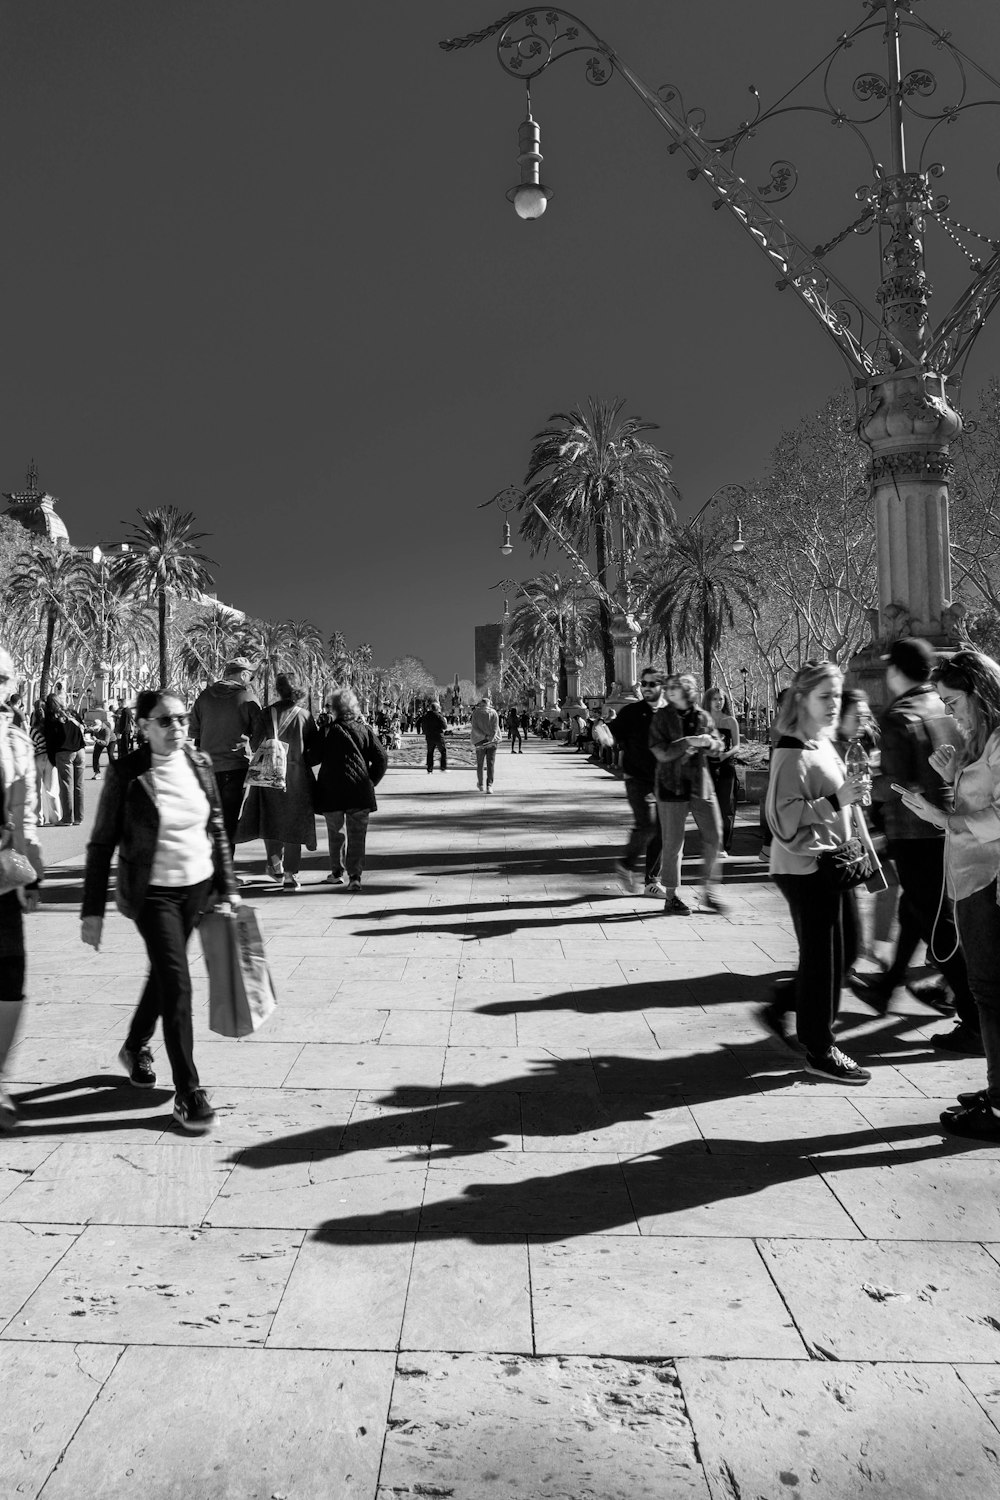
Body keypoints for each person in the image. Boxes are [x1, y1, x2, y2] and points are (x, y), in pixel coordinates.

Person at [81, 687, 237, 1134]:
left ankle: (134, 1045)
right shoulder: (127, 773)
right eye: (165, 721)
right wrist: (92, 910)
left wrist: (227, 887)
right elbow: (101, 844)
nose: (178, 728)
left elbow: (218, 828)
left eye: (183, 719)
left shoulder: (200, 764)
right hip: (152, 894)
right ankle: (189, 1092)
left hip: (197, 889)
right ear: (144, 725)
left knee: (165, 973)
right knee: (178, 983)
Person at [897, 650, 1000, 1138]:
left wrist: (943, 817)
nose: (949, 711)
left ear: (982, 694)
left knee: (990, 993)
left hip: (990, 882)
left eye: (954, 700)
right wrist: (951, 774)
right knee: (986, 992)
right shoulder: (979, 740)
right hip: (972, 877)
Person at [857, 639, 979, 1046]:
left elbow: (895, 785)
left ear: (894, 670)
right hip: (946, 825)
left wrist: (864, 790)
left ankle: (976, 1020)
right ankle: (886, 987)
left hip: (911, 829)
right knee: (917, 912)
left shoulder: (899, 715)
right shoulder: (942, 707)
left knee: (937, 926)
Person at [760, 659, 872, 1085]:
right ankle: (819, 1047)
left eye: (837, 696)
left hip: (831, 865)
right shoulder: (790, 750)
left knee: (843, 953)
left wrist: (852, 795)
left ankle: (806, 1025)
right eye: (824, 696)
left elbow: (835, 795)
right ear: (802, 698)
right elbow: (782, 819)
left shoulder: (820, 742)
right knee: (824, 958)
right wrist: (837, 799)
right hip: (806, 868)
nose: (833, 705)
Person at [0, 647, 44, 1131]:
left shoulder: (15, 739)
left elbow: (26, 815)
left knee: (11, 981)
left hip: (1, 878)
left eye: (3, 678)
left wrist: (34, 873)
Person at [650, 673, 726, 915]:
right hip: (670, 786)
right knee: (673, 844)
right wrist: (688, 741)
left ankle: (709, 892)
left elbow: (718, 746)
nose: (670, 691)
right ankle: (671, 896)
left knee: (715, 836)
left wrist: (710, 744)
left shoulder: (702, 716)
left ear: (688, 691)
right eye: (669, 687)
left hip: (700, 785)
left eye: (676, 687)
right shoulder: (661, 717)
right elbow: (660, 752)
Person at [236, 675, 317, 890]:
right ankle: (290, 875)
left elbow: (254, 743)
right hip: (296, 780)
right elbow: (315, 752)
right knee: (293, 825)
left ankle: (275, 863)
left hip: (268, 776)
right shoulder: (306, 717)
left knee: (271, 820)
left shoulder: (266, 713)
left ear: (278, 690)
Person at [311, 687, 388, 891]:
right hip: (359, 791)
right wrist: (370, 781)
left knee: (335, 833)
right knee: (357, 834)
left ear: (333, 708)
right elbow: (381, 758)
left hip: (331, 791)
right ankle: (355, 876)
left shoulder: (327, 731)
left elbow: (312, 758)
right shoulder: (365, 730)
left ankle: (337, 872)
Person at [189, 658, 263, 852]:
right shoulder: (248, 698)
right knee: (229, 822)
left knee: (208, 821)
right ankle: (226, 873)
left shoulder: (203, 697)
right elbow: (260, 736)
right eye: (251, 676)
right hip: (236, 768)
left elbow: (195, 734)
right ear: (243, 674)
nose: (251, 680)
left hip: (207, 768)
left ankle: (209, 870)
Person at [611, 668, 667, 896]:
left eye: (652, 684)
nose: (647, 688)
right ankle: (625, 864)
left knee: (662, 831)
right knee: (648, 824)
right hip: (637, 779)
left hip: (664, 781)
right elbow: (611, 731)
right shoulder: (632, 712)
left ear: (662, 685)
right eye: (644, 683)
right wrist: (601, 732)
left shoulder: (670, 714)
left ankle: (652, 881)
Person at [704, 687, 741, 855]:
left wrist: (725, 755)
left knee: (726, 807)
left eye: (721, 699)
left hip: (726, 767)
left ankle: (723, 846)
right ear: (708, 701)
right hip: (707, 767)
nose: (719, 702)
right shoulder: (703, 720)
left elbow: (737, 745)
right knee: (708, 809)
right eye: (715, 699)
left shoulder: (730, 721)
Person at [45, 682, 85, 824]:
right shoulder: (72, 713)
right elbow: (82, 727)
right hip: (80, 750)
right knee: (79, 785)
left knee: (66, 785)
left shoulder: (51, 717)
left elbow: (50, 739)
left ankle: (68, 817)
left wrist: (52, 759)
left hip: (64, 752)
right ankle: (79, 817)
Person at [471, 694, 501, 793]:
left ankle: (480, 784)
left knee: (480, 763)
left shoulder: (475, 713)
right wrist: (490, 737)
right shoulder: (494, 713)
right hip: (492, 741)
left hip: (479, 741)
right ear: (489, 704)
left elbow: (474, 727)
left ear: (481, 704)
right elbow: (495, 727)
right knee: (490, 763)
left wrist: (483, 736)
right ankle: (489, 785)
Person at [420, 699, 449, 774]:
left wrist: (426, 732)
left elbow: (423, 726)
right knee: (443, 751)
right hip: (438, 736)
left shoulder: (426, 716)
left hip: (429, 736)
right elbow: (444, 726)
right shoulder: (439, 716)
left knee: (430, 752)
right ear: (437, 708)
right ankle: (443, 768)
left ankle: (429, 769)